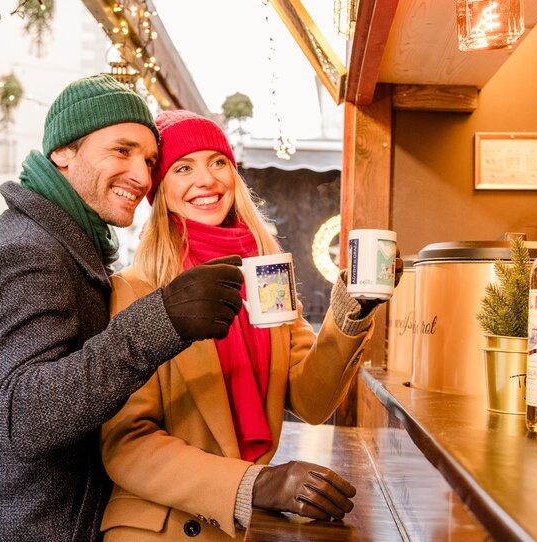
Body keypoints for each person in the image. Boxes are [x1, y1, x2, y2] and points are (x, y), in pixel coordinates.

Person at [0, 77, 245, 542]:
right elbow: (24, 419)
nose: (141, 176)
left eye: (149, 160)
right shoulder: (27, 249)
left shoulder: (72, 245)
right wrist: (163, 320)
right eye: (122, 151)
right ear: (63, 151)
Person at [100, 110, 395, 541]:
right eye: (184, 168)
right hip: (160, 529)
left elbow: (311, 401)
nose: (207, 180)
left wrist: (351, 309)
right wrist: (255, 484)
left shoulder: (267, 277)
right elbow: (126, 443)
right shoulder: (136, 289)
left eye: (218, 162)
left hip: (239, 527)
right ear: (160, 192)